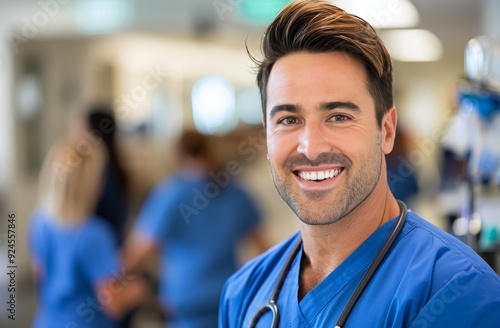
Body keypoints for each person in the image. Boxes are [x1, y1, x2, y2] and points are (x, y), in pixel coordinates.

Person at [219, 1, 500, 327]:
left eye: (338, 117)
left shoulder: (457, 292)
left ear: (387, 130)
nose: (310, 148)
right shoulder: (243, 294)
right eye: (288, 119)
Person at [123, 130, 268, 328]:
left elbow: (139, 253)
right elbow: (265, 250)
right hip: (229, 298)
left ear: (179, 155)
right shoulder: (235, 192)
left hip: (186, 304)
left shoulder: (170, 194)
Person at [28, 141, 146, 328]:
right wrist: (138, 291)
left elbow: (40, 279)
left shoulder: (39, 221)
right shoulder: (94, 234)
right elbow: (113, 304)